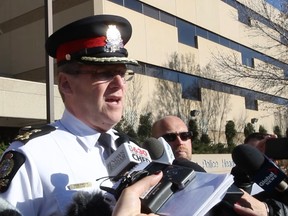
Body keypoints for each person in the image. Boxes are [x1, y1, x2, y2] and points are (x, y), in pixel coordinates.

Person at [0, 14, 139, 216]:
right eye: (105, 73)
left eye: (123, 74)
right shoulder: (32, 154)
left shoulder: (134, 149)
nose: (119, 84)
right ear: (66, 84)